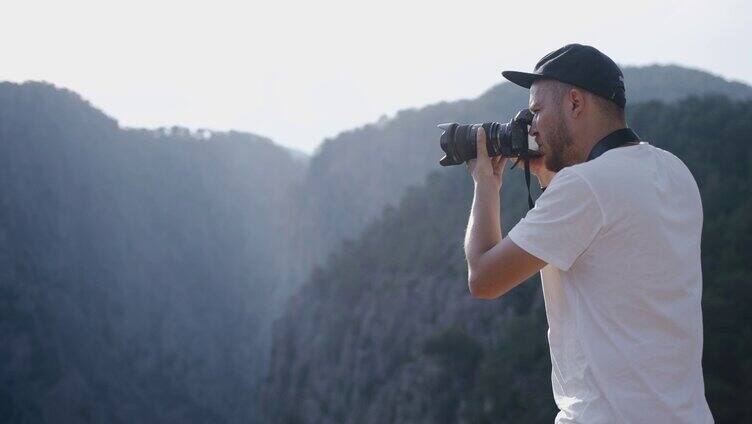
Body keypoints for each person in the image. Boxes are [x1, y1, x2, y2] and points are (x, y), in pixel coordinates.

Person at [463, 44, 714, 423]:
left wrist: (486, 183)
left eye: (536, 112)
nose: (531, 127)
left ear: (575, 103)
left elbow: (483, 278)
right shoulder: (674, 170)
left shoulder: (585, 187)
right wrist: (548, 175)